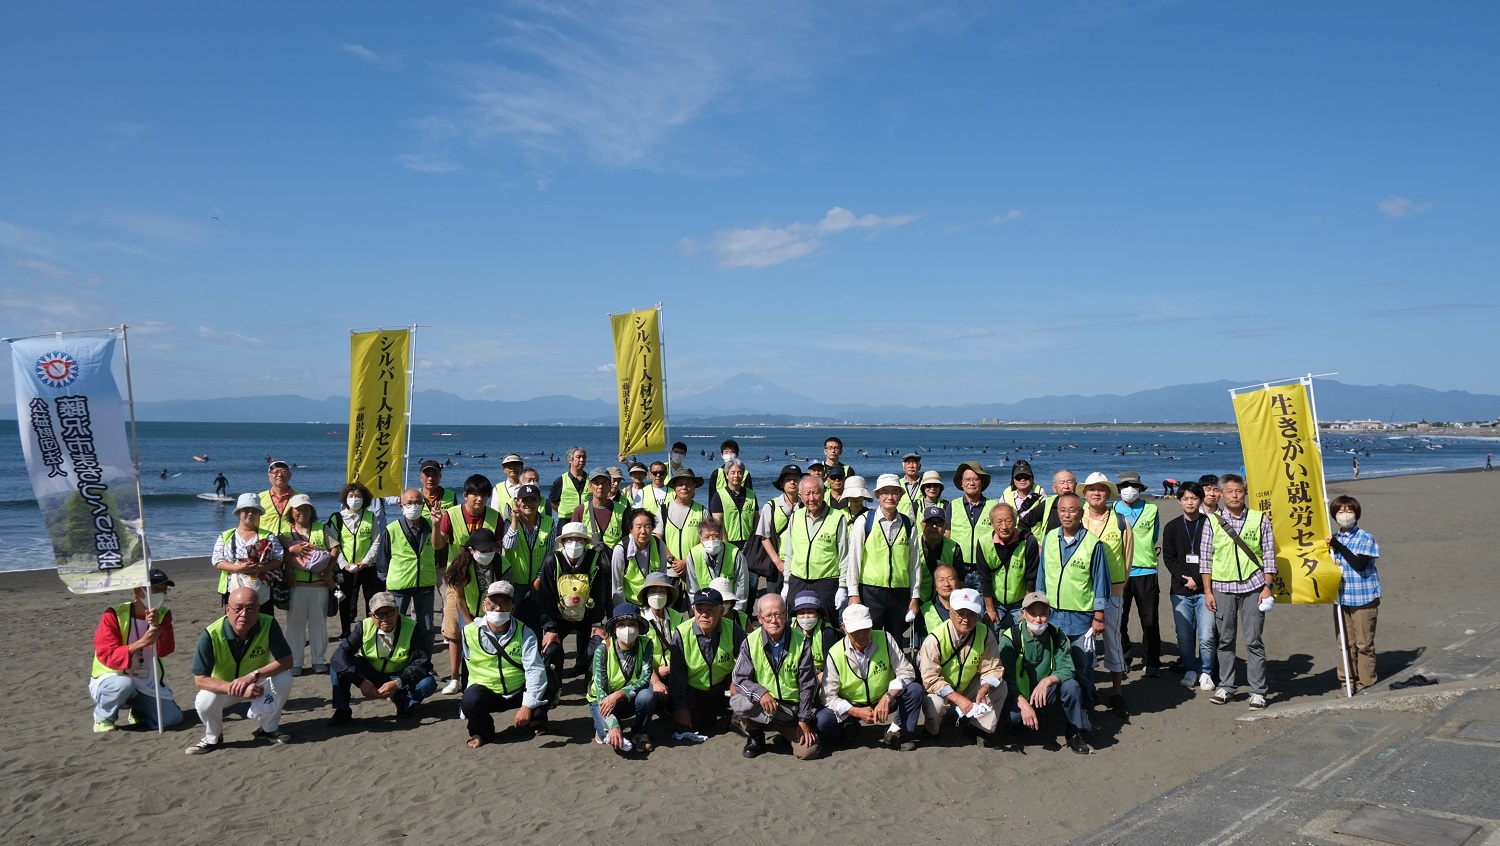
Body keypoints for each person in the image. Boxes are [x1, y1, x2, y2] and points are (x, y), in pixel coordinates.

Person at [185, 586, 295, 754]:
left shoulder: (268, 623)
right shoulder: (211, 633)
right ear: (227, 609)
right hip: (224, 687)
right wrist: (236, 688)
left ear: (258, 609)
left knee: (284, 678)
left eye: (251, 608)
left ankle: (267, 729)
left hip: (256, 683)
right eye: (238, 608)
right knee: (203, 700)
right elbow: (200, 679)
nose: (244, 614)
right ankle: (213, 737)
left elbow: (286, 661)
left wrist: (253, 675)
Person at [1202, 473, 1276, 710]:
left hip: (1254, 588)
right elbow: (1206, 560)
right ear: (1221, 495)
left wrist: (1267, 586)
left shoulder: (1259, 519)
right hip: (1222, 589)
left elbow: (1269, 556)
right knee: (1225, 640)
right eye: (1229, 491)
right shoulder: (1211, 521)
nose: (1234, 495)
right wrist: (1208, 592)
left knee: (1254, 640)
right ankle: (1227, 686)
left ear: (1245, 493)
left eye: (1239, 491)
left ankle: (1258, 691)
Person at [1034, 492, 1109, 724]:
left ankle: (1086, 707)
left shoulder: (1093, 544)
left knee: (1082, 666)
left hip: (1081, 616)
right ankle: (1054, 707)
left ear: (1081, 512)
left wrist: (1098, 616)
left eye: (1072, 510)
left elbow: (1100, 581)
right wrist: (1038, 606)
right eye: (1063, 510)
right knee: (1052, 663)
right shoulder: (1049, 538)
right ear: (1057, 513)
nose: (1067, 515)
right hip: (1053, 615)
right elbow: (1042, 575)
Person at [815, 604, 924, 752]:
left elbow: (907, 671)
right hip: (852, 704)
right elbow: (828, 696)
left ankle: (896, 731)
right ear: (844, 628)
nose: (862, 634)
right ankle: (848, 728)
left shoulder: (885, 638)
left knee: (915, 690)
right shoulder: (835, 653)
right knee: (822, 720)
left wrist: (888, 696)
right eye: (856, 630)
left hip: (883, 698)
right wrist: (853, 710)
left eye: (866, 628)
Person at [90, 569, 184, 732]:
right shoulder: (113, 614)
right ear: (137, 591)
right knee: (123, 685)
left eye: (163, 590)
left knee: (172, 719)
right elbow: (107, 655)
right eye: (154, 589)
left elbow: (166, 650)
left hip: (147, 680)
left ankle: (140, 712)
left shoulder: (164, 614)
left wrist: (157, 628)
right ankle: (103, 718)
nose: (160, 594)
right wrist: (141, 643)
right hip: (114, 678)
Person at [460, 581, 552, 746]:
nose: (498, 608)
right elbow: (467, 668)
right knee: (470, 699)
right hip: (488, 692)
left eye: (505, 603)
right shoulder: (469, 632)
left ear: (513, 608)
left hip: (518, 690)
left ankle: (536, 721)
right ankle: (481, 733)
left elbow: (534, 670)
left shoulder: (525, 632)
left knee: (549, 678)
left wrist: (527, 706)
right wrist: (466, 703)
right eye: (493, 602)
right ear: (484, 605)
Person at [731, 593, 821, 760]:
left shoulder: (802, 642)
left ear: (785, 615)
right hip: (762, 704)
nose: (774, 620)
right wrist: (761, 693)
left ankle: (787, 731)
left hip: (790, 709)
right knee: (739, 701)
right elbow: (739, 678)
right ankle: (756, 736)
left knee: (809, 752)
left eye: (778, 614)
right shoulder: (750, 642)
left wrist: (803, 720)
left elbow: (808, 685)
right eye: (768, 616)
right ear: (760, 618)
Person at [999, 592, 1091, 754]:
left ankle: (1074, 729)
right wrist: (1023, 703)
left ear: (1049, 614)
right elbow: (1006, 679)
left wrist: (1047, 681)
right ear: (1023, 614)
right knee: (1014, 718)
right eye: (1033, 614)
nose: (1038, 619)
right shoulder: (1010, 638)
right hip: (1019, 694)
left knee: (1072, 686)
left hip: (1047, 691)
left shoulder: (1056, 634)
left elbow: (1068, 668)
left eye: (1043, 614)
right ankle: (1020, 719)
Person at [328, 591, 437, 725]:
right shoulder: (363, 627)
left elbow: (421, 662)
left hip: (398, 674)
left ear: (397, 611)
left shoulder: (412, 627)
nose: (385, 618)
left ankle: (404, 701)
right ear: (371, 615)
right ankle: (342, 710)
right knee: (336, 666)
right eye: (379, 614)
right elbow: (339, 656)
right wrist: (360, 681)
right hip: (369, 671)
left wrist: (399, 682)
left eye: (390, 612)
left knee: (428, 683)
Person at [917, 587, 1005, 741]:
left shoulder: (985, 634)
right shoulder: (935, 639)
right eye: (961, 613)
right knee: (933, 704)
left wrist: (984, 688)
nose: (966, 618)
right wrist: (958, 699)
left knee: (1000, 687)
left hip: (969, 686)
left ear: (978, 615)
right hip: (942, 692)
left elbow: (993, 668)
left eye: (971, 613)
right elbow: (930, 679)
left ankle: (978, 727)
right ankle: (932, 730)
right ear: (950, 612)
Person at [1080, 472, 1132, 717]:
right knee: (1085, 643)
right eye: (1091, 489)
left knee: (1112, 640)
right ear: (1085, 494)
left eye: (1101, 489)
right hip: (1082, 589)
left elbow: (1127, 556)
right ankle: (1086, 690)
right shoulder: (1077, 517)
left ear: (1108, 494)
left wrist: (1118, 585)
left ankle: (1117, 691)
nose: (1096, 493)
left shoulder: (1121, 521)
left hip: (1113, 590)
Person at [846, 474, 922, 636]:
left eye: (895, 492)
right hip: (870, 592)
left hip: (900, 593)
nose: (890, 497)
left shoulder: (909, 525)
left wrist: (914, 597)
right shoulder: (864, 521)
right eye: (885, 492)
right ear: (877, 496)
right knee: (869, 638)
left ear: (901, 496)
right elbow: (854, 560)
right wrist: (853, 594)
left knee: (895, 642)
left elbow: (914, 564)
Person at [667, 588, 746, 740]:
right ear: (693, 610)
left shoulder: (732, 628)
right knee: (683, 729)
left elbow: (747, 660)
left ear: (721, 611)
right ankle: (708, 712)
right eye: (699, 609)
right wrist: (682, 706)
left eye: (710, 609)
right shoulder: (682, 633)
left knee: (748, 693)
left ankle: (736, 720)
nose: (704, 614)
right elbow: (677, 675)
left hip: (724, 684)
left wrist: (737, 681)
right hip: (695, 689)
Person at [535, 521, 610, 681]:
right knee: (550, 649)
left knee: (598, 647)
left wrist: (597, 624)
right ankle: (554, 687)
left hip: (587, 618)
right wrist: (551, 629)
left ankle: (592, 685)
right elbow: (546, 597)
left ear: (586, 542)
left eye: (580, 539)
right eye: (569, 539)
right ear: (562, 542)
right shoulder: (552, 561)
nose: (574, 543)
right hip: (559, 618)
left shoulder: (594, 559)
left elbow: (598, 593)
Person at [1160, 482, 1216, 690]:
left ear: (1200, 500)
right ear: (1179, 500)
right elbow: (1169, 558)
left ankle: (1207, 672)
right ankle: (1190, 670)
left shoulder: (1211, 524)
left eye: (1194, 498)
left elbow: (1216, 556)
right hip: (1180, 591)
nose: (1190, 502)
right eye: (1186, 498)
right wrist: (1186, 580)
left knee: (1207, 634)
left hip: (1206, 590)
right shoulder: (1172, 527)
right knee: (1183, 636)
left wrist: (1199, 581)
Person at [780, 474, 855, 620]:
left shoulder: (837, 517)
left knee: (827, 625)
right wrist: (786, 582)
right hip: (798, 580)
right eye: (807, 494)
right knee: (796, 623)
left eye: (816, 493)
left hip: (826, 582)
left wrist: (843, 587)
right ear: (800, 496)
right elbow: (789, 552)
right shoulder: (796, 516)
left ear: (823, 493)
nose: (812, 498)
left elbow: (844, 555)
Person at [588, 604, 659, 753]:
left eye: (632, 624)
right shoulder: (603, 650)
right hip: (603, 701)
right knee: (612, 739)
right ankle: (604, 727)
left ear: (639, 627)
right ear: (614, 628)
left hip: (627, 697)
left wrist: (620, 694)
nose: (627, 629)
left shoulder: (646, 644)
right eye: (621, 624)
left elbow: (645, 677)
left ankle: (641, 732)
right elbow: (601, 691)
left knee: (648, 694)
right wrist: (613, 725)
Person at [1329, 495, 1381, 694]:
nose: (1345, 515)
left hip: (1363, 597)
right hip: (1341, 597)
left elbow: (1360, 563)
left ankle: (1366, 682)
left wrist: (1338, 546)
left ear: (1356, 514)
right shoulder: (1334, 538)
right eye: (1340, 511)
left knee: (1364, 643)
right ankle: (1347, 679)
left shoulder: (1365, 537)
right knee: (1345, 642)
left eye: (1348, 511)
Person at [282, 493, 338, 675]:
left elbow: (335, 548)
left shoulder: (321, 528)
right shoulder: (285, 532)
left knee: (319, 625)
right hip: (295, 586)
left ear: (311, 510)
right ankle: (296, 662)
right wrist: (291, 550)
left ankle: (319, 660)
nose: (302, 512)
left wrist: (328, 570)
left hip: (319, 586)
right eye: (298, 509)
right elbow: (278, 557)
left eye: (306, 508)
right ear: (292, 511)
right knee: (295, 626)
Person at [1115, 470, 1162, 675]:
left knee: (1150, 620)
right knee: (1119, 620)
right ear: (1119, 489)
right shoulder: (1113, 509)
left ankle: (1151, 662)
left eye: (1133, 486)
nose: (1129, 490)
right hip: (1120, 574)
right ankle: (1124, 657)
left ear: (1141, 489)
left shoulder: (1152, 509)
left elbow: (1153, 537)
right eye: (1125, 486)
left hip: (1146, 571)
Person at [439, 528, 497, 695]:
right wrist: (469, 622)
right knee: (461, 638)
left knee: (486, 643)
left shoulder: (502, 564)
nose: (488, 553)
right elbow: (459, 597)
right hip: (465, 605)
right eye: (483, 550)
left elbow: (502, 595)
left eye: (491, 549)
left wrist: (489, 617)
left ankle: (483, 679)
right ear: (472, 550)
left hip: (489, 610)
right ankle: (457, 679)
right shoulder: (461, 566)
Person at [211, 493, 283, 611]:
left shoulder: (268, 536)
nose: (250, 513)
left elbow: (278, 558)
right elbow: (217, 561)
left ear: (259, 514)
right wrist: (238, 568)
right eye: (246, 510)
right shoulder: (225, 536)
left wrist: (260, 567)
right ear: (239, 513)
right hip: (232, 590)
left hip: (262, 590)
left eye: (254, 511)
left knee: (263, 625)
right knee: (237, 625)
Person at [333, 481, 385, 639]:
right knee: (345, 599)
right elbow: (334, 543)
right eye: (351, 496)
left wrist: (366, 561)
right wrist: (343, 564)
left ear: (365, 499)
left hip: (367, 567)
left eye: (358, 496)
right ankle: (345, 630)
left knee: (371, 597)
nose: (354, 499)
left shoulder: (370, 516)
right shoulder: (338, 517)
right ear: (345, 498)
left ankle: (371, 628)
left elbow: (376, 540)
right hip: (346, 568)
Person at [976, 502, 1039, 630]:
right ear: (992, 523)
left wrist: (1026, 608)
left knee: (1023, 636)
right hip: (995, 602)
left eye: (1008, 521)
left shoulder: (1029, 541)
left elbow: (1031, 578)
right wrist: (990, 609)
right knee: (989, 638)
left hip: (1020, 602)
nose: (1004, 526)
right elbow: (984, 578)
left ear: (1015, 521)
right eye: (999, 522)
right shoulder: (984, 543)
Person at [385, 488, 437, 635]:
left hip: (424, 582)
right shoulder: (391, 529)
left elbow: (439, 550)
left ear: (423, 504)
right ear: (401, 506)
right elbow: (384, 558)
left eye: (417, 502)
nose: (414, 506)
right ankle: (394, 656)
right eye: (409, 503)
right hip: (399, 583)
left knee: (426, 626)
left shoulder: (432, 526)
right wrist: (386, 577)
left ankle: (424, 656)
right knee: (394, 624)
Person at [500, 483, 554, 625]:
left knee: (535, 621)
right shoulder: (509, 522)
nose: (529, 504)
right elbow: (508, 545)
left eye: (533, 500)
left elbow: (550, 554)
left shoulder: (549, 522)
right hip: (514, 581)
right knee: (512, 620)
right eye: (525, 500)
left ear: (540, 502)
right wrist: (515, 520)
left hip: (538, 582)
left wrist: (539, 578)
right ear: (517, 502)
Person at [756, 464, 803, 597]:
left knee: (797, 601)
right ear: (782, 484)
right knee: (775, 601)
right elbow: (763, 537)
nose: (792, 482)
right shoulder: (771, 505)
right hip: (776, 563)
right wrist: (778, 562)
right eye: (788, 479)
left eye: (796, 479)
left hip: (800, 563)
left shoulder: (806, 505)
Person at [611, 509, 673, 606]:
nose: (643, 531)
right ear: (630, 529)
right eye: (638, 527)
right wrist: (623, 610)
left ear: (653, 528)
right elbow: (617, 585)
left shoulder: (659, 544)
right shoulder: (621, 550)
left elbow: (661, 577)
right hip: (630, 602)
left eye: (648, 526)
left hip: (653, 601)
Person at [684, 517, 748, 605]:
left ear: (722, 537)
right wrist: (698, 610)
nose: (711, 540)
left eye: (715, 536)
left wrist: (736, 612)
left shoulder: (735, 553)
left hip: (728, 605)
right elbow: (692, 589)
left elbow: (742, 587)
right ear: (701, 539)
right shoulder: (693, 554)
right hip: (705, 606)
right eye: (706, 537)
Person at [948, 461, 996, 576]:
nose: (971, 483)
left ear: (982, 482)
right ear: (961, 483)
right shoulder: (953, 505)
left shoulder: (993, 506)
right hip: (958, 567)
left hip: (984, 568)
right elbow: (947, 535)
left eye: (976, 479)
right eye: (967, 480)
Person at [658, 467, 705, 568]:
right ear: (674, 487)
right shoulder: (663, 510)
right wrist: (671, 559)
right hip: (669, 568)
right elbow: (658, 538)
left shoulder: (702, 511)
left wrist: (687, 562)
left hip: (694, 568)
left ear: (694, 486)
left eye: (688, 484)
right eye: (680, 484)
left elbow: (705, 541)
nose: (684, 487)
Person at [709, 457, 758, 554]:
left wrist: (755, 541)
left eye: (740, 472)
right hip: (729, 543)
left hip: (749, 544)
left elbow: (756, 519)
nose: (736, 476)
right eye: (733, 472)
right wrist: (726, 546)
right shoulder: (719, 496)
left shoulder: (751, 494)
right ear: (727, 475)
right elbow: (718, 523)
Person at [573, 468, 628, 553]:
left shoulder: (622, 510)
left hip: (614, 561)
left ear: (610, 485)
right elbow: (574, 541)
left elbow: (627, 540)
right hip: (588, 562)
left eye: (604, 483)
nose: (600, 487)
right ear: (590, 487)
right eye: (597, 483)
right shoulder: (580, 511)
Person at [918, 504, 962, 604]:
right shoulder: (913, 545)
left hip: (945, 601)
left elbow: (960, 580)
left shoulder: (954, 547)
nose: (934, 526)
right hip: (918, 599)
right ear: (922, 525)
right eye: (930, 523)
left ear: (945, 526)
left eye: (939, 523)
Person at [916, 563, 960, 642]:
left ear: (957, 582)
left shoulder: (968, 607)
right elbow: (921, 648)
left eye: (950, 579)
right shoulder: (924, 611)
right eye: (941, 580)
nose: (946, 584)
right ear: (935, 585)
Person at [257, 460, 300, 538]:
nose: (279, 475)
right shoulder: (260, 498)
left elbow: (308, 521)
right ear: (268, 476)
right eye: (275, 472)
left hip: (293, 542)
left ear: (290, 475)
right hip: (266, 544)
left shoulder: (300, 497)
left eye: (284, 472)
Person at [549, 446, 590, 519]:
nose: (582, 460)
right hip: (566, 520)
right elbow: (552, 501)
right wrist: (562, 512)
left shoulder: (591, 480)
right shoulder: (561, 480)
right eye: (578, 457)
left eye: (584, 457)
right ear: (570, 460)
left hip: (586, 520)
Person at [488, 453, 526, 519]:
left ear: (521, 467)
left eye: (516, 465)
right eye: (509, 465)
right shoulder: (498, 488)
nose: (513, 468)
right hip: (505, 526)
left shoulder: (527, 486)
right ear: (504, 469)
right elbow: (495, 511)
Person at [899, 452, 925, 521]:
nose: (911, 466)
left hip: (921, 525)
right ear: (903, 467)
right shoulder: (897, 484)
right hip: (902, 524)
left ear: (919, 467)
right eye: (908, 463)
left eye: (914, 463)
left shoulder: (926, 485)